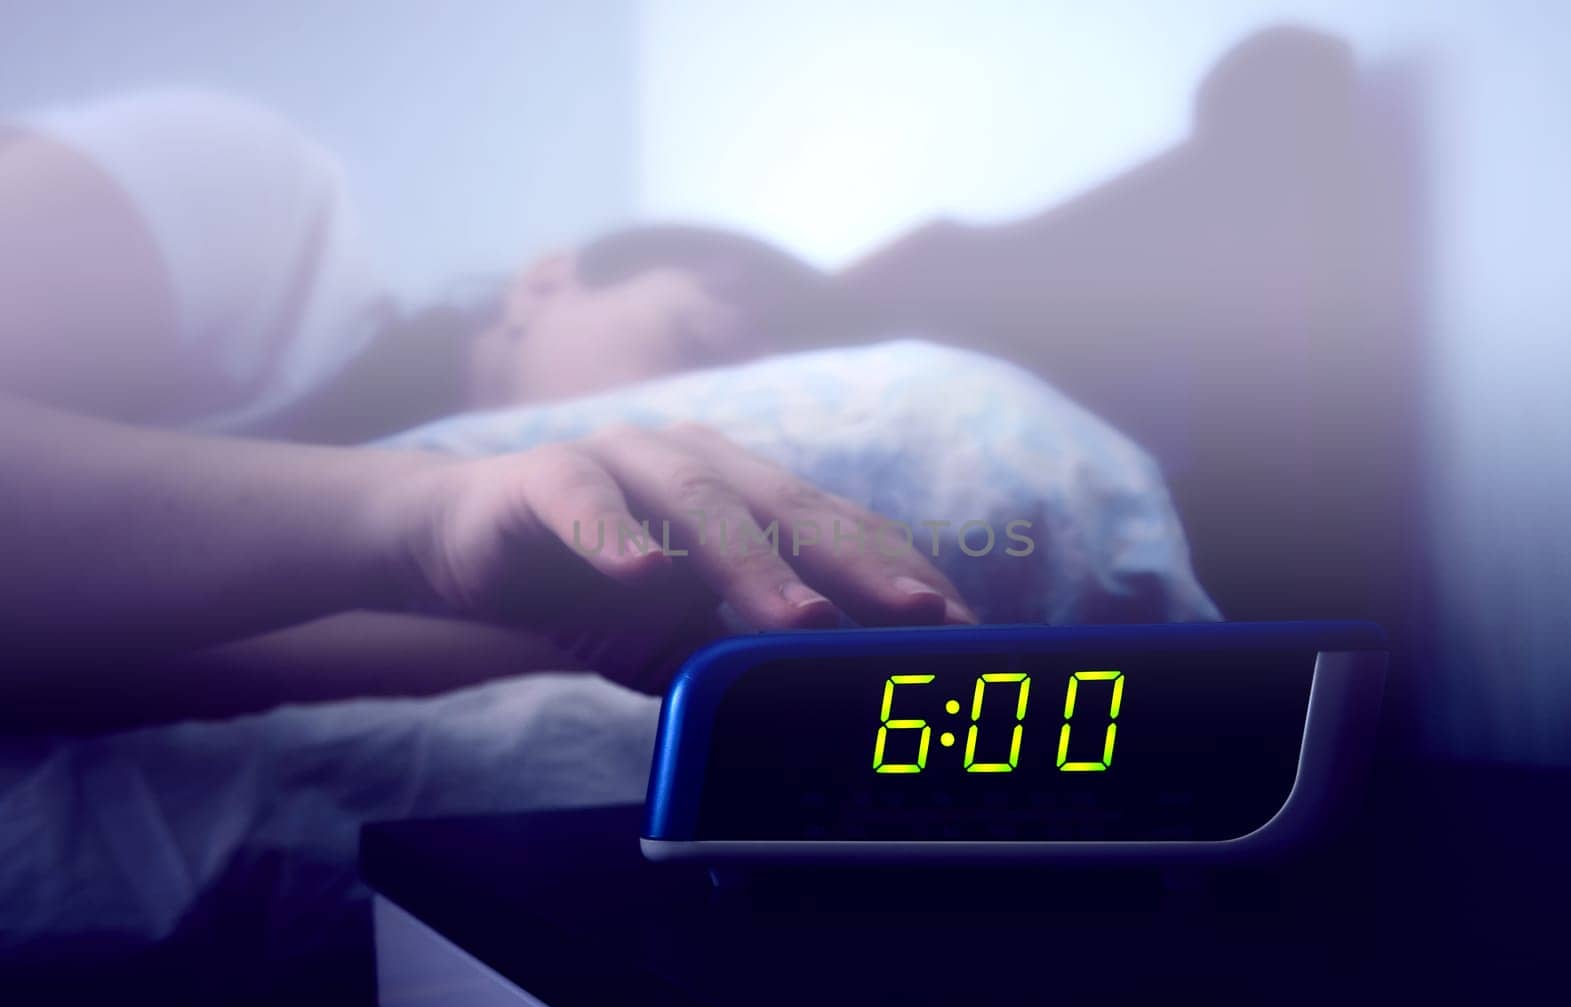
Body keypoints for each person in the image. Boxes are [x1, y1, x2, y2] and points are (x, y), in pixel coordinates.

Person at [0, 91, 974, 725]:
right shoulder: (258, 205)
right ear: (546, 278)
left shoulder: (550, 636)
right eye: (699, 351)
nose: (697, 410)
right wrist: (416, 512)